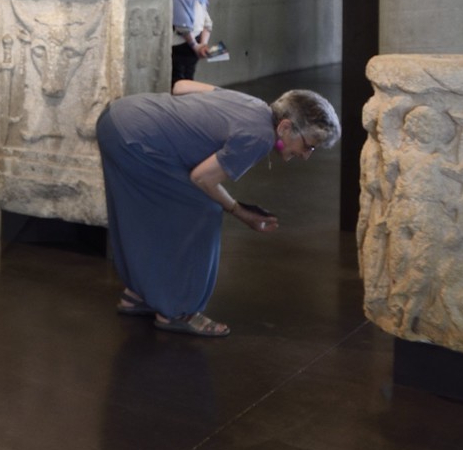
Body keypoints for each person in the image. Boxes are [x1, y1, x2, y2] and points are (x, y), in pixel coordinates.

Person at [96, 79, 339, 336]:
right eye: (309, 145)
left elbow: (181, 87)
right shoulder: (259, 137)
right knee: (204, 211)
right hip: (134, 139)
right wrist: (240, 212)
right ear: (286, 127)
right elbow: (202, 178)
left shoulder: (255, 105)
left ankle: (139, 294)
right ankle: (179, 311)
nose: (306, 154)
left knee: (157, 214)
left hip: (117, 118)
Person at [171, 0, 214, 85]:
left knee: (178, 85)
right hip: (196, 40)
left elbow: (182, 25)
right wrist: (203, 45)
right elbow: (208, 23)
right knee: (188, 81)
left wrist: (195, 46)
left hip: (181, 44)